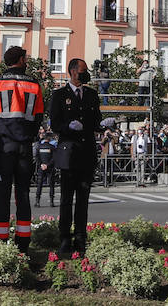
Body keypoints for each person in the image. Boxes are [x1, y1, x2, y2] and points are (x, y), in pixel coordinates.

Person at [0, 46, 44, 251]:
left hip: (3, 148)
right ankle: (23, 245)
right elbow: (39, 115)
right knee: (23, 195)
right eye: (25, 58)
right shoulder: (34, 84)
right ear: (20, 59)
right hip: (25, 148)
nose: (27, 61)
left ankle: (1, 243)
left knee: (2, 195)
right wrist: (31, 135)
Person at [48, 57, 102, 257]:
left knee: (83, 198)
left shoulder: (91, 95)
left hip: (86, 152)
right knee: (66, 198)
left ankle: (80, 238)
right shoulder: (60, 95)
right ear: (72, 72)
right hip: (68, 151)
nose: (85, 74)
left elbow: (96, 121)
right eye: (82, 71)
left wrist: (103, 125)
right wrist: (67, 127)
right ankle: (64, 238)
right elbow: (54, 123)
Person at [34, 129, 58, 205]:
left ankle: (37, 201)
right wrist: (47, 165)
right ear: (49, 139)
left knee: (39, 184)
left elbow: (37, 157)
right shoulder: (52, 147)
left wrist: (41, 164)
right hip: (50, 167)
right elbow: (54, 158)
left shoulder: (39, 147)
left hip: (41, 167)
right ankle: (51, 201)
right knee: (51, 184)